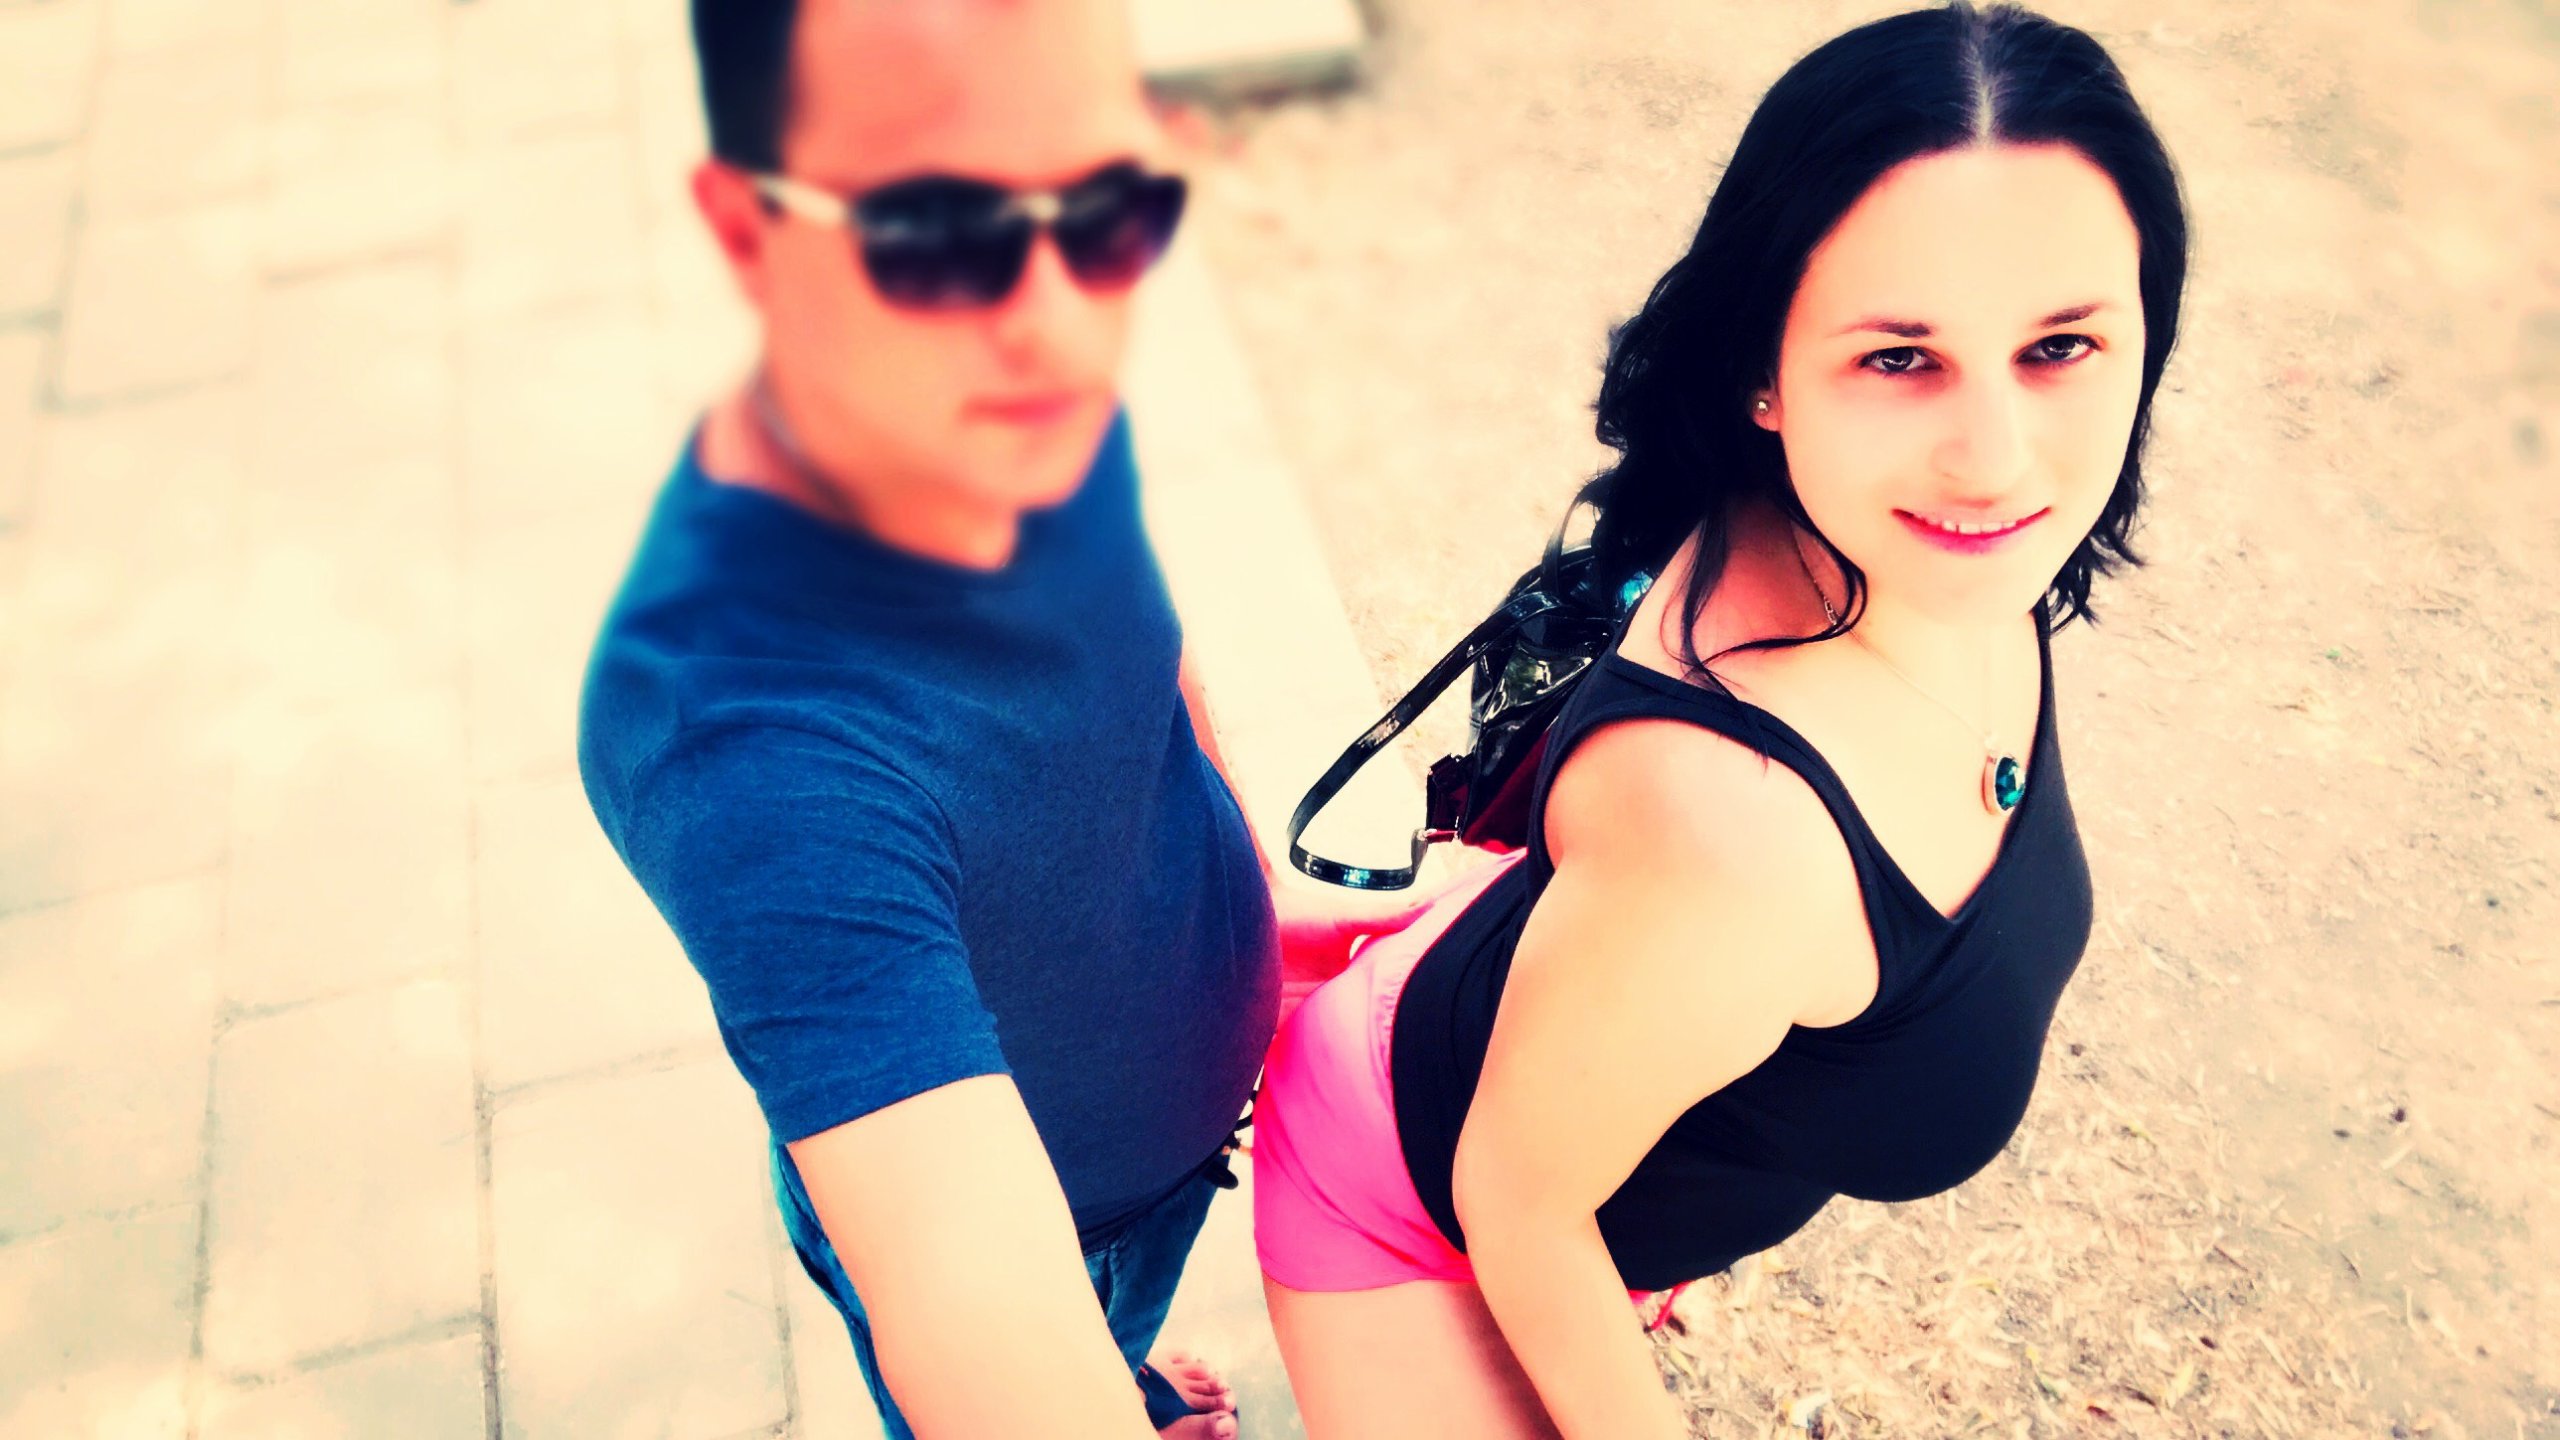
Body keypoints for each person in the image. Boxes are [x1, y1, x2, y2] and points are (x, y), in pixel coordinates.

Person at [1247, 4, 2192, 1436]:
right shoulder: (1734, 831)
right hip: (1409, 1213)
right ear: (1764, 374)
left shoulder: (1915, 553)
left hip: (1553, 1071)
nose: (1997, 461)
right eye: (1899, 358)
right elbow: (1521, 1204)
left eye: (2061, 346)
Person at [576, 2, 1341, 1434]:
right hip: (1072, 1218)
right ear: (749, 231)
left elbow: (1146, 667)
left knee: (1117, 1339)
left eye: (1106, 206)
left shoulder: (1007, 403)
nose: (1054, 321)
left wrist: (1233, 889)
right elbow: (977, 1313)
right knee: (1079, 1343)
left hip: (1166, 1138)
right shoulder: (750, 747)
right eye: (936, 231)